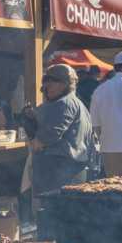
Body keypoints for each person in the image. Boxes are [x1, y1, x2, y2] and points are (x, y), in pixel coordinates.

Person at [22, 64, 93, 194]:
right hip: (70, 168)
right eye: (45, 80)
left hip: (59, 169)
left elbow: (46, 137)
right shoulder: (74, 103)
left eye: (51, 81)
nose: (46, 86)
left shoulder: (63, 103)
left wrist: (34, 136)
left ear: (64, 84)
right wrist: (33, 117)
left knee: (52, 210)